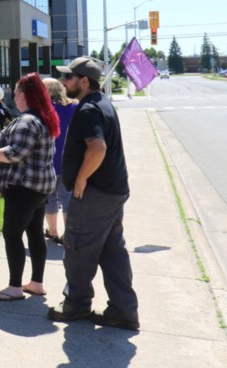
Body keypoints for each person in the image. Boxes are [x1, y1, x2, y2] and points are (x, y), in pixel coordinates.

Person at [48, 57, 139, 330]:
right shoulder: (104, 103)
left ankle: (76, 305)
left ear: (83, 81)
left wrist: (82, 178)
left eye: (69, 78)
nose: (65, 82)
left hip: (95, 194)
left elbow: (97, 148)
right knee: (113, 251)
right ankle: (123, 311)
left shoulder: (88, 109)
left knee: (77, 248)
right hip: (113, 191)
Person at [0, 72, 58, 302]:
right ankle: (36, 283)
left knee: (12, 234)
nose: (13, 97)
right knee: (34, 233)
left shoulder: (27, 121)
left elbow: (15, 153)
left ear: (23, 95)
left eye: (15, 92)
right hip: (41, 187)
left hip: (24, 187)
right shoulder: (43, 117)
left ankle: (14, 287)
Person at [42, 77, 77, 244]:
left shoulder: (43, 111)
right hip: (69, 162)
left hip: (48, 162)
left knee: (50, 198)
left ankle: (53, 231)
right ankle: (68, 235)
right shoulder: (75, 107)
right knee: (67, 198)